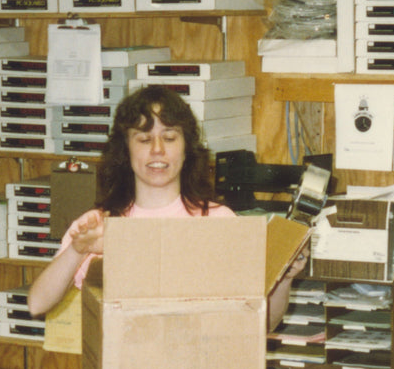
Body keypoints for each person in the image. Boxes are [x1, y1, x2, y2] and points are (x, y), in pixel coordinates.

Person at [27, 84, 306, 324]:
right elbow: (37, 304)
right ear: (125, 151)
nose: (157, 149)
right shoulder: (100, 224)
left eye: (170, 137)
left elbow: (261, 324)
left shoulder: (218, 221)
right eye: (144, 139)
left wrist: (284, 280)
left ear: (187, 149)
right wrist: (78, 249)